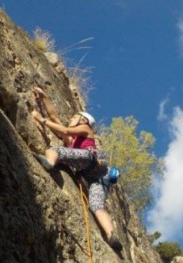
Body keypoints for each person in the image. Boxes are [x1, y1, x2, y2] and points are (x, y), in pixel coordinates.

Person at [31, 87, 123, 252]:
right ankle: (111, 236)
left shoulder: (86, 129)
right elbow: (54, 117)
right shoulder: (73, 141)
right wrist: (44, 98)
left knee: (55, 151)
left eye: (75, 116)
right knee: (96, 206)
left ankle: (49, 164)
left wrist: (40, 119)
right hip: (99, 179)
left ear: (83, 120)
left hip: (89, 159)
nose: (71, 118)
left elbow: (64, 129)